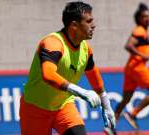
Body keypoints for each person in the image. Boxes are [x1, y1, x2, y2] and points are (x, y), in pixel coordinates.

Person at [19, 1, 115, 135]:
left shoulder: (85, 49)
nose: (94, 25)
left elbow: (93, 75)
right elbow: (48, 75)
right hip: (35, 108)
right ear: (74, 25)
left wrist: (106, 104)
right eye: (88, 21)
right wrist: (82, 92)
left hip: (63, 106)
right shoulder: (52, 43)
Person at [114, 3, 149, 129]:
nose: (148, 19)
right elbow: (128, 46)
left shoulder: (142, 31)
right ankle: (133, 114)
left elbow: (139, 50)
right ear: (139, 18)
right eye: (145, 16)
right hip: (137, 68)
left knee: (126, 99)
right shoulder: (139, 30)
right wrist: (144, 56)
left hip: (130, 68)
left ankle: (110, 126)